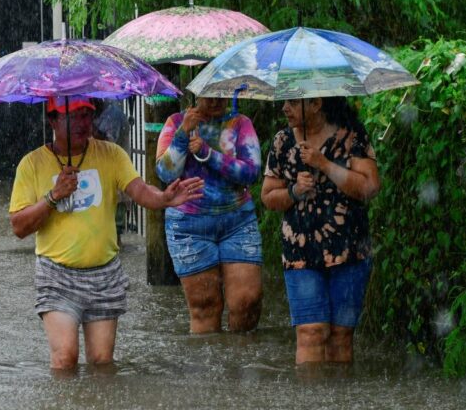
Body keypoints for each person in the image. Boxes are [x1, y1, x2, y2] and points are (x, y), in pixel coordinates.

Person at [9, 96, 203, 371]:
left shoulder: (110, 154)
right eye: (72, 116)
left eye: (86, 115)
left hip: (104, 274)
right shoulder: (31, 164)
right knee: (65, 358)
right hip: (57, 275)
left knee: (102, 363)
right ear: (51, 119)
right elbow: (18, 226)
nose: (82, 123)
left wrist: (164, 199)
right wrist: (53, 197)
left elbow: (139, 190)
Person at [260, 96, 380, 364]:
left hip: (349, 251)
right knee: (310, 333)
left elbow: (370, 187)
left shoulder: (351, 134)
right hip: (300, 253)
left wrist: (324, 164)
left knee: (340, 337)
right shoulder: (282, 142)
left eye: (292, 102)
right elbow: (268, 197)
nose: (284, 108)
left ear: (316, 103)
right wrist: (294, 191)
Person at [155, 97, 263, 334]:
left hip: (237, 221)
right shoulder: (175, 122)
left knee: (247, 302)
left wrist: (207, 152)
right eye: (208, 95)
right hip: (188, 225)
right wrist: (183, 134)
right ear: (196, 93)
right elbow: (165, 172)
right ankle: (209, 369)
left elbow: (252, 172)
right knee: (205, 306)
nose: (215, 100)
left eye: (221, 94)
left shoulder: (239, 123)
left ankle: (241, 364)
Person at [90, 100, 131, 242]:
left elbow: (107, 144)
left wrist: (90, 128)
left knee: (115, 220)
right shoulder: (99, 114)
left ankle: (114, 240)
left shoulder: (113, 115)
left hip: (116, 173)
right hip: (103, 174)